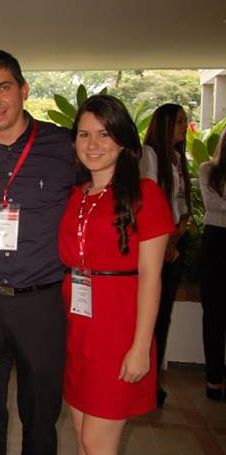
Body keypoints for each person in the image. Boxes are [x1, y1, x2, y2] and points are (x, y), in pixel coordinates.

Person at [0, 49, 75, 454]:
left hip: (41, 303)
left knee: (40, 414)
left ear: (24, 89)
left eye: (3, 87)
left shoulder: (63, 146)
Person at [59, 95, 173, 454]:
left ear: (123, 141)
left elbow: (151, 276)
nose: (92, 144)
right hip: (79, 330)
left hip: (118, 332)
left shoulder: (145, 195)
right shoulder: (77, 195)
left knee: (97, 443)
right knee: (82, 438)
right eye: (84, 134)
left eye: (104, 134)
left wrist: (140, 347)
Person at [140, 103, 192, 406]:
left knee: (164, 316)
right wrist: (166, 242)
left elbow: (181, 205)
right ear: (165, 124)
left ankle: (154, 378)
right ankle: (148, 381)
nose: (184, 127)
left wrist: (178, 233)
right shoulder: (149, 155)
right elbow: (149, 201)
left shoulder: (177, 158)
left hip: (174, 242)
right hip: (156, 245)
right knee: (153, 315)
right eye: (179, 121)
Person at [199, 129, 226, 400]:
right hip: (216, 242)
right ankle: (213, 377)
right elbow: (213, 204)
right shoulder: (209, 169)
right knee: (214, 313)